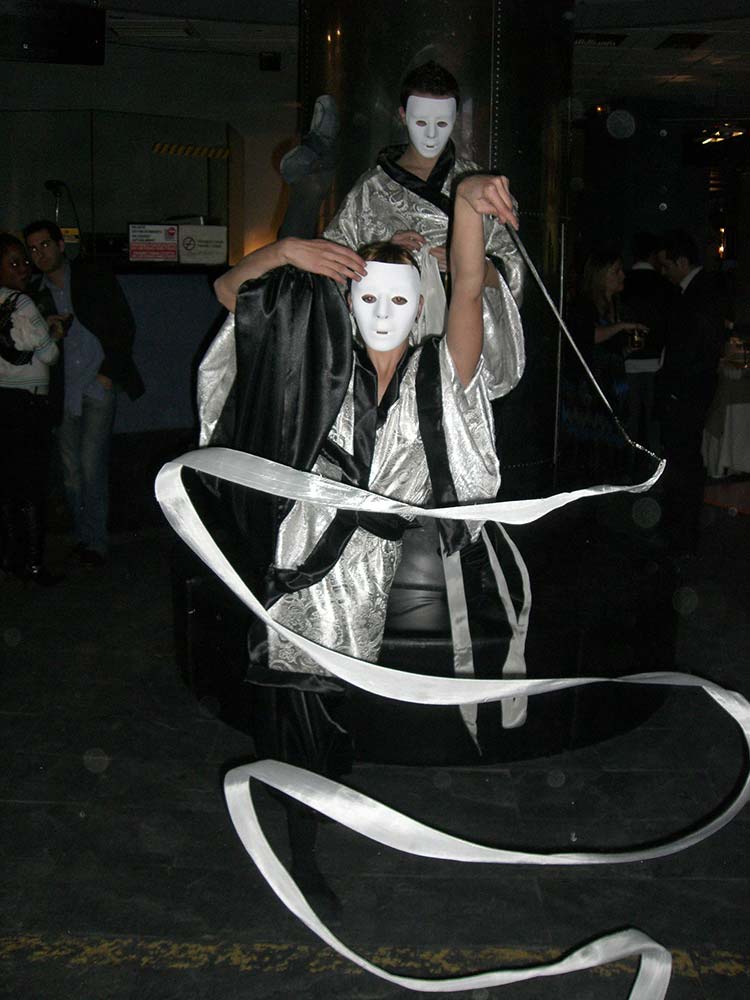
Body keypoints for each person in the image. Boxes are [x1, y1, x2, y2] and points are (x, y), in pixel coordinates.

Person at [206, 174, 519, 911]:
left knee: (331, 719)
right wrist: (285, 250)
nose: (382, 313)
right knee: (295, 715)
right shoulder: (313, 360)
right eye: (368, 298)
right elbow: (229, 294)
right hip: (295, 570)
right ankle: (300, 855)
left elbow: (467, 287)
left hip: (367, 577)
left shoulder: (438, 373)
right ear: (347, 301)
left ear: (419, 304)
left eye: (399, 300)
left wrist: (467, 202)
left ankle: (306, 807)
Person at [322, 61, 524, 373]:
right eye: (420, 121)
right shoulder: (370, 190)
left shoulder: (478, 189)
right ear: (403, 116)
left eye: (442, 123)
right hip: (384, 343)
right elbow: (331, 266)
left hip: (459, 338)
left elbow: (513, 267)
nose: (431, 134)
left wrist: (472, 267)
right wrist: (384, 253)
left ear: (455, 119)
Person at [23, 220, 144, 565]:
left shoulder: (91, 277)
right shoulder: (36, 293)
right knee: (71, 472)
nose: (40, 253)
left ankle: (96, 542)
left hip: (96, 384)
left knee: (92, 467)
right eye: (33, 249)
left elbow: (123, 324)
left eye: (45, 245)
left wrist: (108, 374)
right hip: (64, 389)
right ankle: (82, 536)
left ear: (61, 245)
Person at [656, 230, 727, 555]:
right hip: (690, 390)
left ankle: (682, 531)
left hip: (687, 392)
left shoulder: (699, 293)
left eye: (667, 265)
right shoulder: (699, 290)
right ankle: (681, 527)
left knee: (683, 459)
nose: (665, 272)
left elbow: (695, 348)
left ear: (682, 262)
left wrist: (674, 390)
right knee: (684, 457)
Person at [0, 233, 61, 583]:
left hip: (3, 400)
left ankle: (12, 557)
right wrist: (54, 332)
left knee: (9, 484)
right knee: (33, 483)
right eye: (14, 263)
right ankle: (35, 564)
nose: (24, 268)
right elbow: (49, 354)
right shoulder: (21, 302)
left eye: (24, 261)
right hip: (27, 401)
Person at [622, 232, 672, 452]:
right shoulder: (663, 284)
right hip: (655, 361)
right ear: (653, 255)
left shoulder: (624, 281)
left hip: (627, 360)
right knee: (654, 420)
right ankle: (654, 462)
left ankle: (628, 462)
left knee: (629, 420)